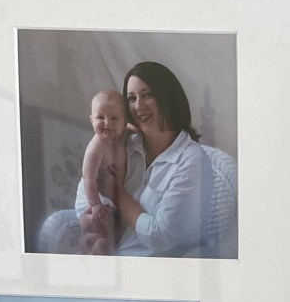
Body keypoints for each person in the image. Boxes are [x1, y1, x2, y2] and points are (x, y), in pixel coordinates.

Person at [77, 61, 215, 257]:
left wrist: (116, 192)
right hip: (113, 260)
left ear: (168, 97)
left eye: (148, 95)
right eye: (131, 98)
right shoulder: (124, 142)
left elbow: (161, 236)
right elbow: (87, 188)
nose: (138, 106)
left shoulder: (193, 162)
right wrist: (89, 217)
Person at [79, 90, 131, 227]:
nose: (107, 123)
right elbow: (88, 179)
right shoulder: (96, 148)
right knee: (101, 232)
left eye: (114, 118)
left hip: (111, 198)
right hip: (92, 198)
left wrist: (134, 128)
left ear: (124, 122)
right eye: (100, 118)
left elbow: (129, 130)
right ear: (91, 120)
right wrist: (95, 205)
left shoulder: (122, 136)